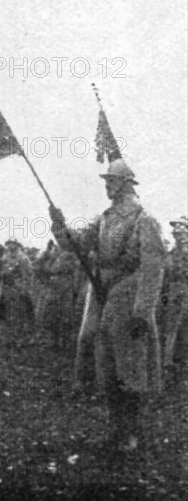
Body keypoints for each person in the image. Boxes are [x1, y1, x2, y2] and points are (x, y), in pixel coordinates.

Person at [49, 159, 166, 452]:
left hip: (128, 297)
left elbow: (153, 269)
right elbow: (73, 245)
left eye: (111, 181)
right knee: (107, 365)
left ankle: (131, 432)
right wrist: (59, 224)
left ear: (126, 184)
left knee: (129, 367)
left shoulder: (144, 219)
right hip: (102, 296)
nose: (107, 185)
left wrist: (142, 311)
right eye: (106, 181)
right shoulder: (103, 218)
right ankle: (115, 429)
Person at [160, 216, 188, 388]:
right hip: (173, 293)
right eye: (175, 230)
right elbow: (165, 277)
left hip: (184, 291)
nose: (177, 232)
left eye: (181, 229)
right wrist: (164, 295)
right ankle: (169, 366)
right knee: (171, 331)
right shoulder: (170, 255)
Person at [0, 238, 34, 331]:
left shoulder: (22, 258)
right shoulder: (6, 256)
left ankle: (18, 327)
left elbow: (27, 274)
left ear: (17, 245)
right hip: (6, 285)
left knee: (17, 307)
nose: (9, 246)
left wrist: (24, 287)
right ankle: (6, 326)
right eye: (8, 244)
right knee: (4, 306)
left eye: (11, 244)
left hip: (17, 286)